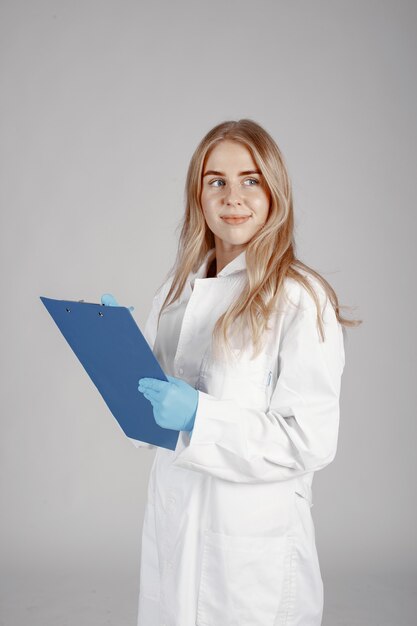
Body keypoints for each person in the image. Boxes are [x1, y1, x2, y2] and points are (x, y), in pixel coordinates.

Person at [102, 119, 361, 626]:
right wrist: (118, 356)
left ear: (275, 191)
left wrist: (201, 416)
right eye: (216, 181)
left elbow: (309, 440)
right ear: (198, 194)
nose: (233, 196)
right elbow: (150, 417)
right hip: (176, 524)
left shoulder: (299, 298)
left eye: (251, 179)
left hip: (249, 547)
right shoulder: (177, 293)